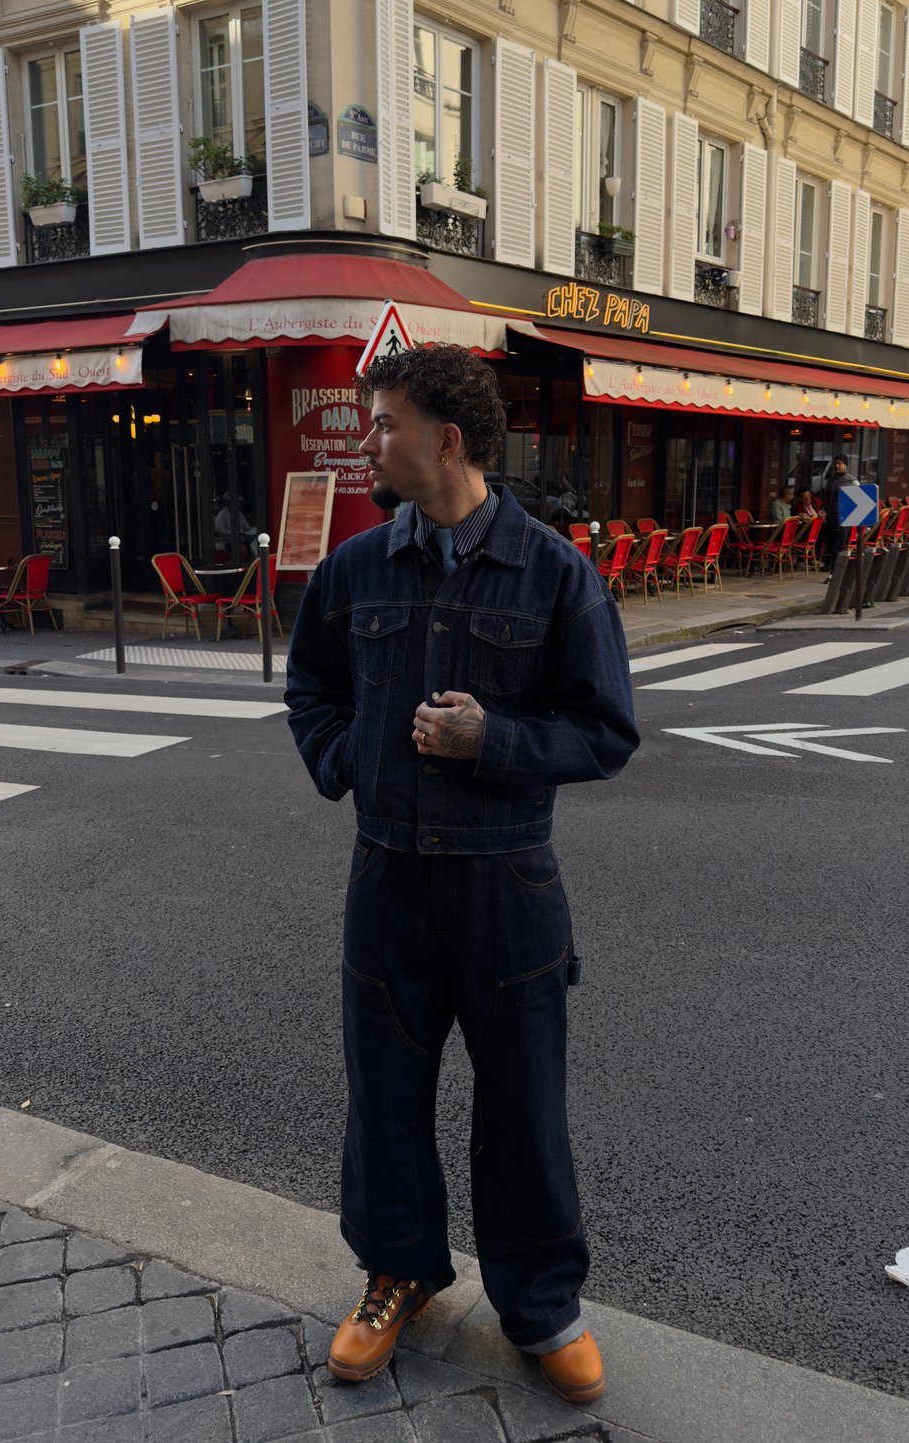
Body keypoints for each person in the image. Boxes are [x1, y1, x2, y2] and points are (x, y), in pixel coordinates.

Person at [284, 345, 639, 1406]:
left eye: (383, 421)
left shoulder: (553, 572)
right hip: (387, 878)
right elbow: (312, 689)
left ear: (445, 440)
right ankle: (397, 1273)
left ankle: (541, 1305)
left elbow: (606, 730)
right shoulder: (356, 568)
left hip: (506, 884)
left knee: (523, 1104)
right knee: (384, 1096)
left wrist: (495, 741)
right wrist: (351, 760)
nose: (367, 440)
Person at [822, 454, 855, 568]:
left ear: (845, 465)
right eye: (835, 463)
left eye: (839, 463)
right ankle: (828, 564)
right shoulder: (831, 481)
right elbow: (827, 498)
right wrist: (824, 509)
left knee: (838, 545)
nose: (837, 466)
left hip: (843, 518)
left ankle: (837, 567)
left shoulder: (851, 481)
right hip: (830, 516)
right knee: (830, 543)